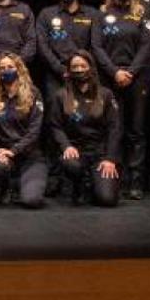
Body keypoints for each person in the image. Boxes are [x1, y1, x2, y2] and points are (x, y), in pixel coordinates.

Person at [91, 0, 150, 199]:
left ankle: (135, 181)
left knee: (136, 130)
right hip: (109, 78)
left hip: (137, 78)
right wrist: (115, 72)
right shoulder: (101, 13)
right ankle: (111, 177)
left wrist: (131, 72)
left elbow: (147, 46)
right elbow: (96, 47)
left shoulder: (142, 13)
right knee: (112, 127)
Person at [49, 50, 122, 207]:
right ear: (69, 71)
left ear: (91, 68)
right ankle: (79, 184)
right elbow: (55, 126)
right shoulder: (61, 95)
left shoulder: (106, 94)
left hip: (100, 153)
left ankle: (94, 183)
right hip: (75, 152)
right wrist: (66, 146)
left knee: (107, 199)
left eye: (83, 66)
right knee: (71, 164)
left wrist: (110, 159)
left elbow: (114, 128)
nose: (79, 70)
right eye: (75, 67)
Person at [0, 53, 46, 209]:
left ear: (19, 69)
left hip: (30, 155)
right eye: (2, 68)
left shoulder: (34, 93)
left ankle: (21, 184)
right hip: (3, 155)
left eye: (10, 67)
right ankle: (6, 186)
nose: (6, 70)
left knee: (32, 201)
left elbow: (34, 131)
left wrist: (14, 150)